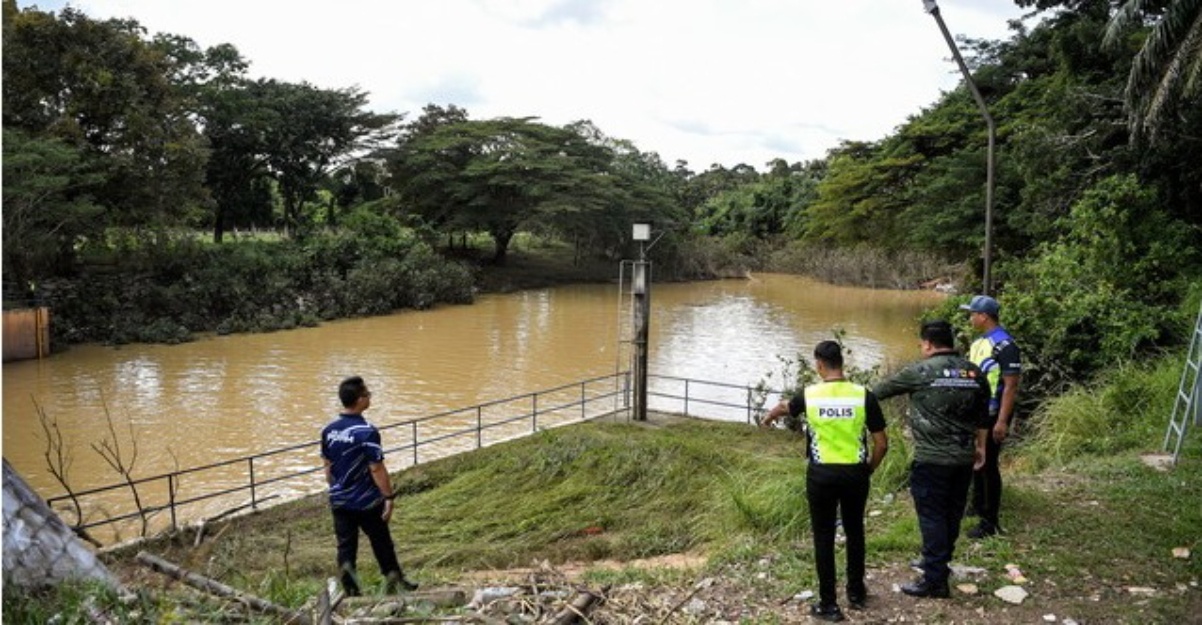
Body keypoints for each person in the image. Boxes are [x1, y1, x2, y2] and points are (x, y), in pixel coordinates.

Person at [762, 341, 889, 622]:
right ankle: (856, 593)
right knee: (855, 531)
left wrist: (769, 416)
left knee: (824, 536)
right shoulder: (863, 395)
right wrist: (868, 469)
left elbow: (786, 407)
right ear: (841, 363)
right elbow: (881, 443)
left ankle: (829, 605)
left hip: (822, 476)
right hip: (855, 473)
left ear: (819, 364)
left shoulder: (810, 395)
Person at [873, 320, 989, 599]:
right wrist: (981, 447)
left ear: (927, 344)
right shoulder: (974, 372)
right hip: (964, 457)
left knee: (932, 517)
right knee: (952, 513)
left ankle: (935, 580)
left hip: (931, 459)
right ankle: (937, 563)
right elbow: (983, 414)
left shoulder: (920, 371)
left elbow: (876, 393)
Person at [321, 375, 418, 596]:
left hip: (339, 500)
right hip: (366, 500)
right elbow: (377, 468)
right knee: (382, 542)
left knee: (346, 547)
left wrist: (337, 490)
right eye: (367, 394)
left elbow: (327, 467)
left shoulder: (329, 430)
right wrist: (389, 497)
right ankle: (394, 580)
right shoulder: (366, 431)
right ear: (359, 400)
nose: (370, 397)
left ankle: (351, 591)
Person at [960, 294, 1022, 539]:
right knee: (976, 459)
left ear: (984, 316)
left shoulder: (1005, 345)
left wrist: (1002, 421)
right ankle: (977, 504)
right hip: (977, 411)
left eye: (973, 313)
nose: (970, 317)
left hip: (993, 413)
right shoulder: (979, 343)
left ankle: (990, 521)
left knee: (989, 465)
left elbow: (1011, 386)